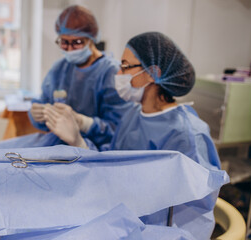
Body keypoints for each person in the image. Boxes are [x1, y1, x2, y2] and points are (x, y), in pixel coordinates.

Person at [43, 32, 222, 239]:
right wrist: (78, 140)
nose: (118, 73)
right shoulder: (131, 115)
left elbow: (196, 210)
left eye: (125, 66)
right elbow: (113, 164)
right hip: (119, 216)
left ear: (152, 72)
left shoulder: (187, 133)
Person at [28, 5, 130, 148]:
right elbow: (43, 101)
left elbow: (120, 129)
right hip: (59, 146)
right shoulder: (59, 69)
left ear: (92, 39)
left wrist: (84, 123)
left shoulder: (110, 72)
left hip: (96, 151)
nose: (69, 49)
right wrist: (37, 114)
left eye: (76, 42)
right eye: (64, 42)